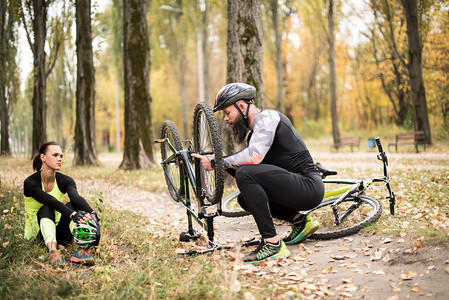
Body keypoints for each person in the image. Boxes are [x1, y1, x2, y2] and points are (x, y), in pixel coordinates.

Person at [192, 83, 324, 263]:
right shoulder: (253, 136)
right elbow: (252, 174)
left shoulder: (268, 117)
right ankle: (301, 222)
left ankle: (272, 244)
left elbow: (253, 158)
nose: (226, 119)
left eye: (227, 112)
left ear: (241, 106)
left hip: (308, 186)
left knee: (246, 172)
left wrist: (217, 162)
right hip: (295, 187)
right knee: (244, 199)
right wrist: (222, 163)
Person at [23, 141, 100, 266]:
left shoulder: (65, 180)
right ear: (43, 157)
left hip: (60, 234)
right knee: (46, 207)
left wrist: (92, 213)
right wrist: (72, 214)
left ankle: (82, 250)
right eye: (55, 155)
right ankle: (53, 252)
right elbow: (50, 200)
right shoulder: (30, 182)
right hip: (36, 235)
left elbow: (75, 198)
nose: (59, 159)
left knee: (72, 206)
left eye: (61, 156)